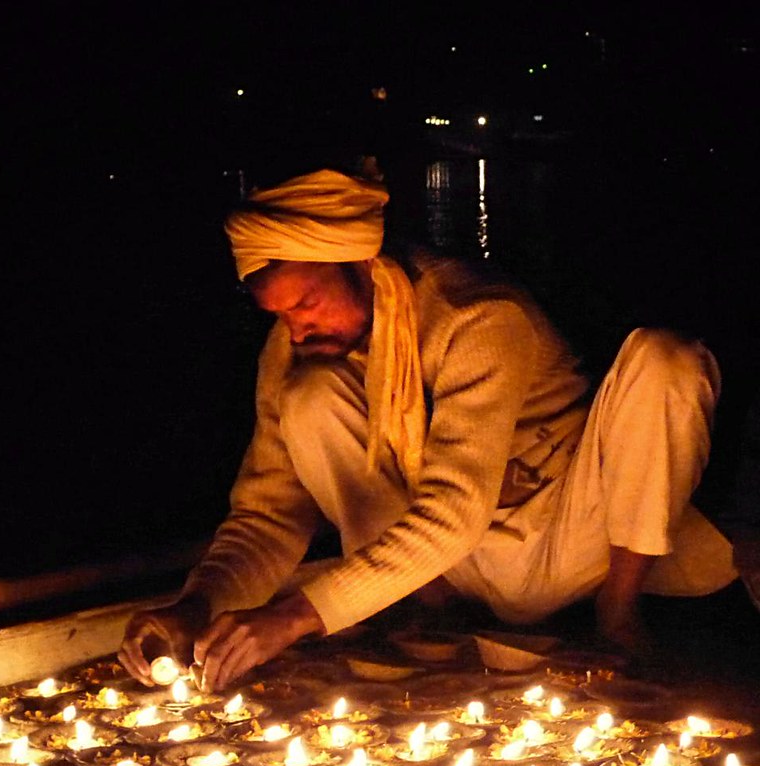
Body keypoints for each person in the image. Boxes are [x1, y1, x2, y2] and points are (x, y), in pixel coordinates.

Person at [119, 170, 738, 691]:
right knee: (309, 396)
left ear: (359, 264)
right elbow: (268, 513)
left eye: (304, 304)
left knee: (667, 359)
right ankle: (426, 610)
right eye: (278, 315)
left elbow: (454, 510)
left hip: (569, 537)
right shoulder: (294, 353)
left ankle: (619, 615)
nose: (296, 330)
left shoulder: (477, 316)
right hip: (451, 566)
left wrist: (295, 616)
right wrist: (195, 606)